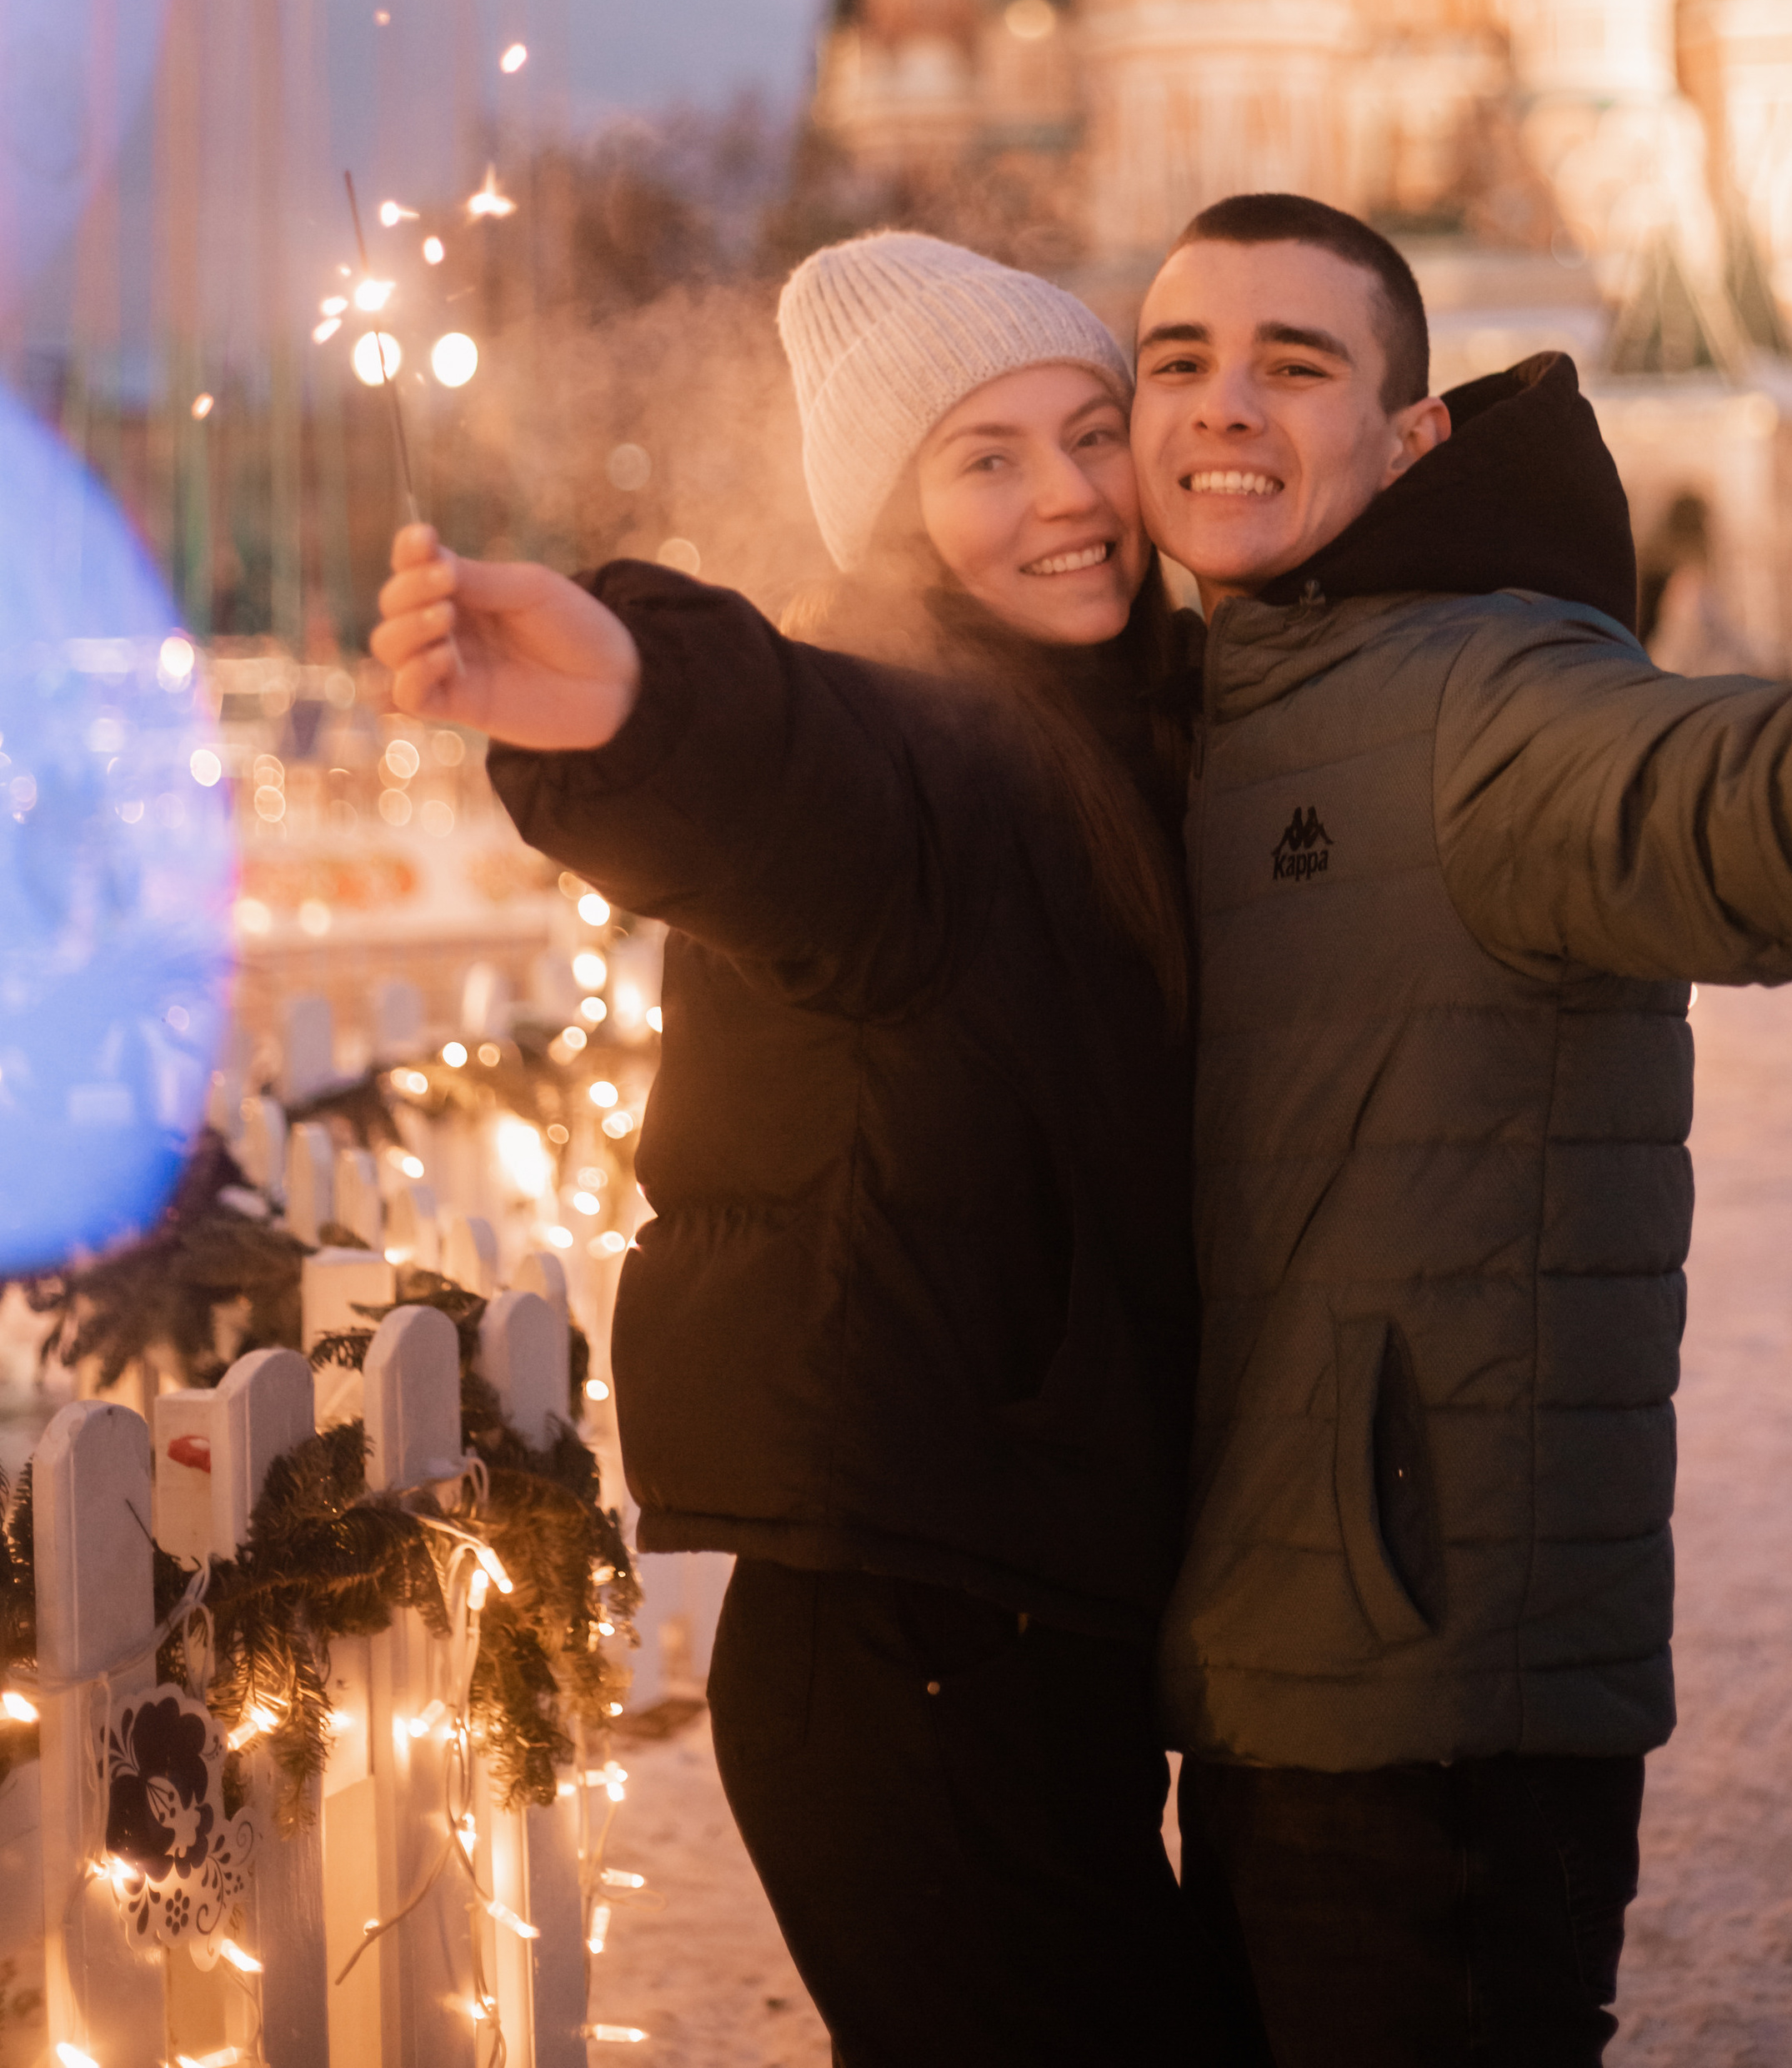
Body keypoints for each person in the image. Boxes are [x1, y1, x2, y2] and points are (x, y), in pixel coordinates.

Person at [1125, 189, 1792, 2068]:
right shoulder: (1229, 707)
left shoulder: (1482, 695)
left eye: (1293, 362)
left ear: (1409, 434)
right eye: (1175, 361)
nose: (1223, 406)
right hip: (1276, 1668)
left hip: (1429, 1718)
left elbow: (1753, 803)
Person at [372, 231, 1250, 2068]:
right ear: (892, 519)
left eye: (1090, 434)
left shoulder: (1136, 728)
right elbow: (785, 776)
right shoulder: (929, 750)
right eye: (984, 460)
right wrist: (623, 695)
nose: (1071, 498)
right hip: (909, 1638)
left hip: (1032, 1615)